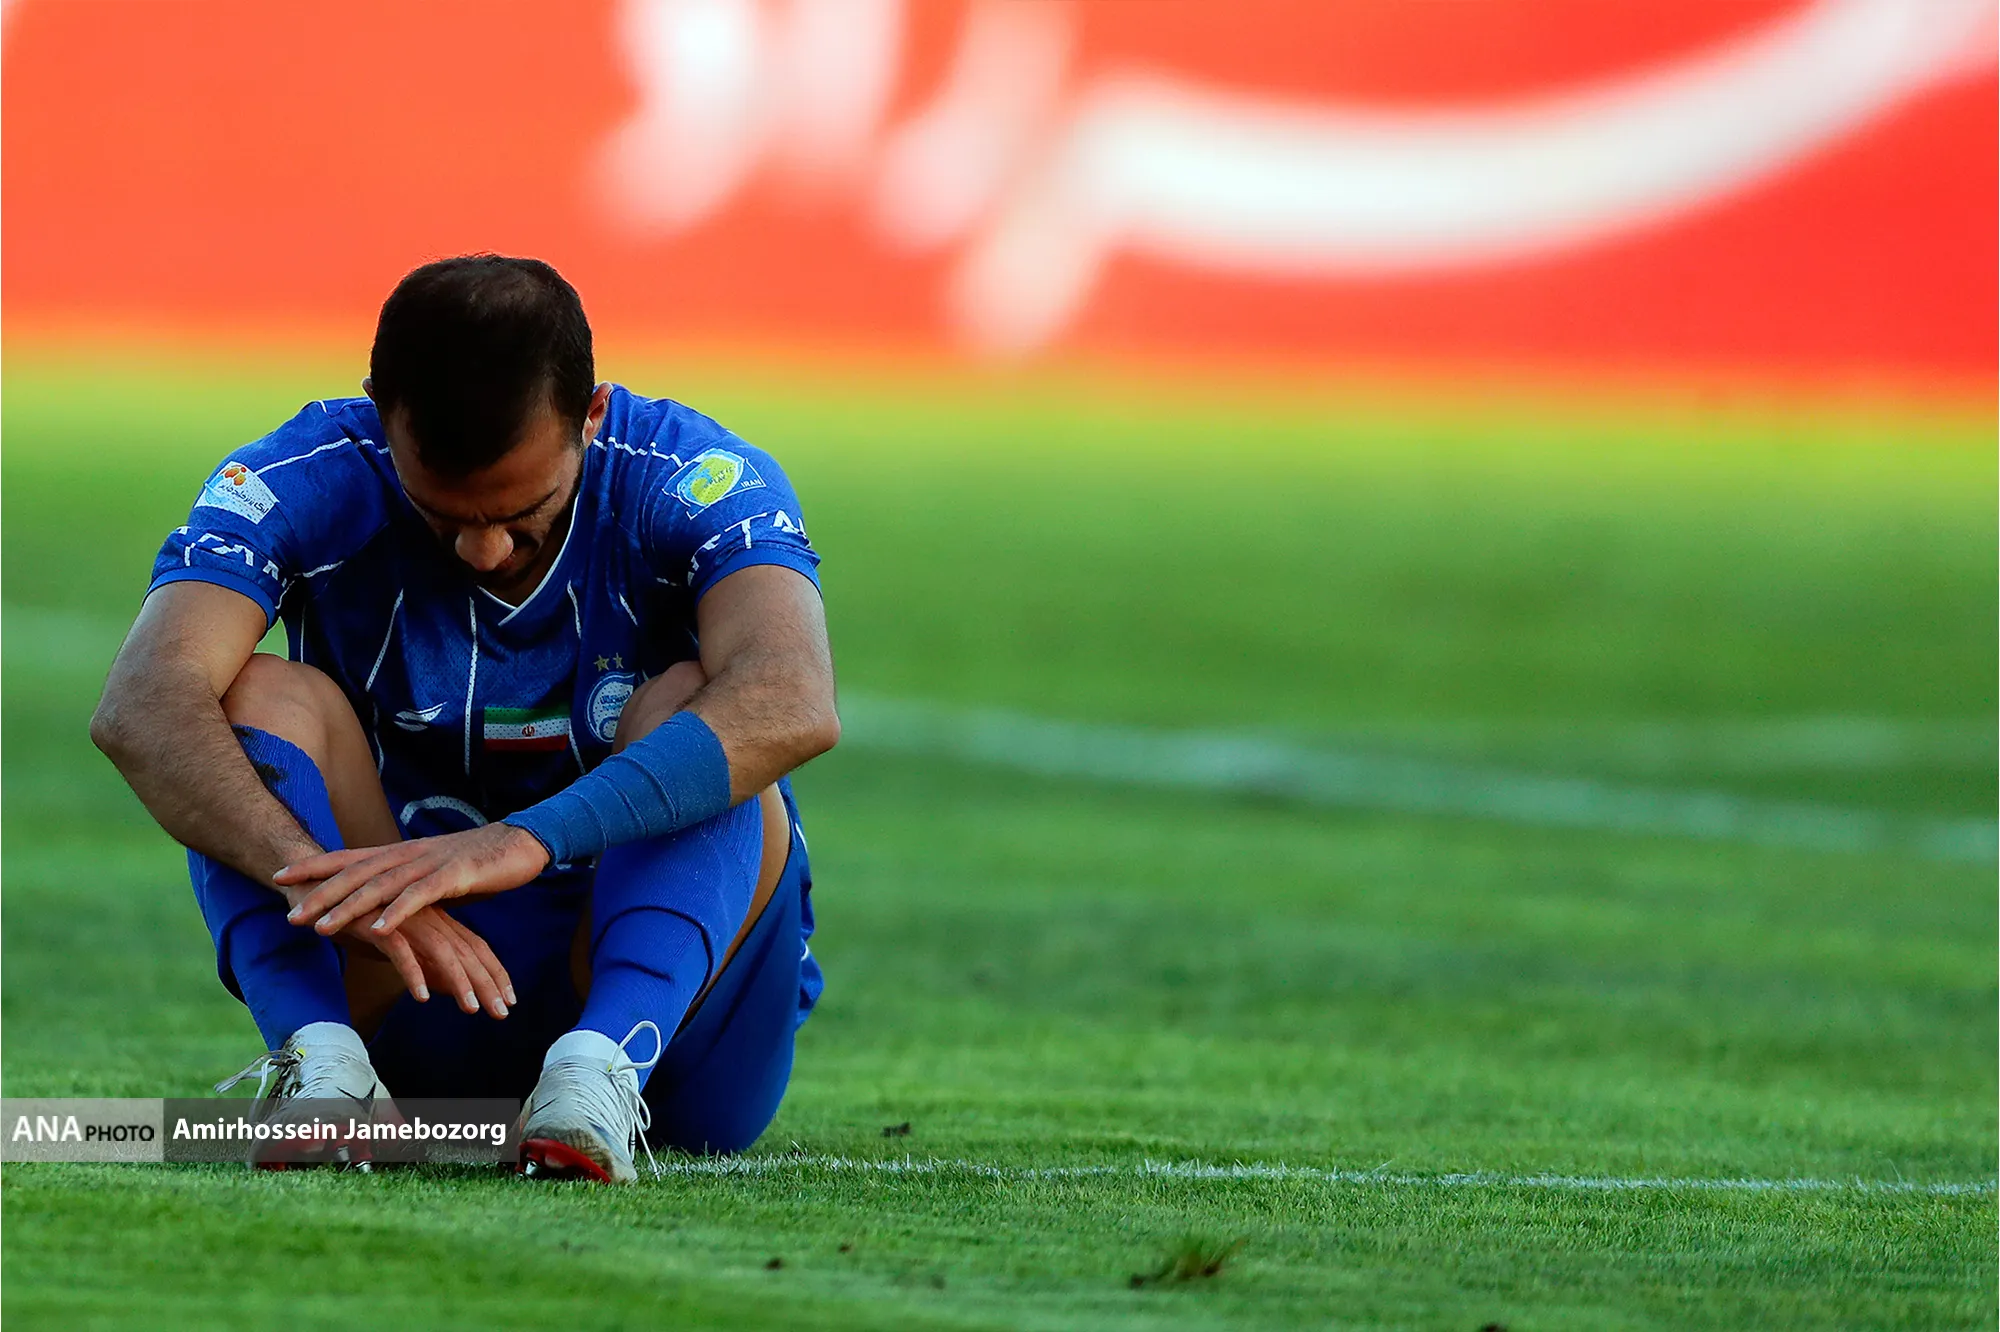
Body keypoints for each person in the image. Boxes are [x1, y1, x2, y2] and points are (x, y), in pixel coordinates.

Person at [90, 255, 838, 1182]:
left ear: (592, 415)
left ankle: (598, 1071)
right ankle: (321, 1064)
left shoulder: (691, 477)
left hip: (674, 1038)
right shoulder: (301, 476)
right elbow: (143, 705)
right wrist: (334, 889)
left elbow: (792, 699)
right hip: (404, 974)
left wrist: (525, 840)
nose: (484, 549)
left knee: (698, 703)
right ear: (380, 413)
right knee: (254, 698)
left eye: (526, 512)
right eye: (441, 514)